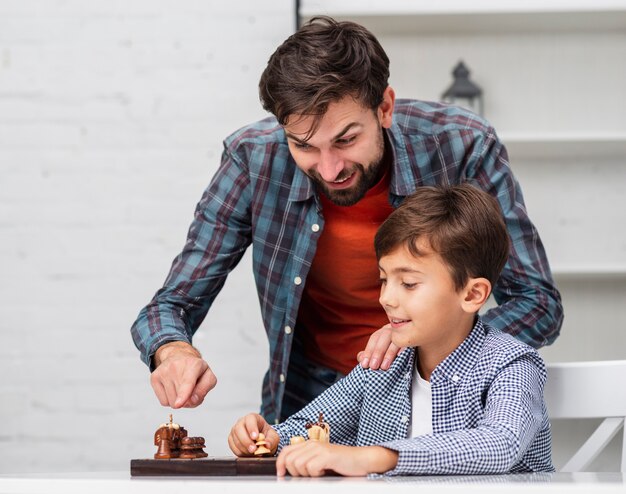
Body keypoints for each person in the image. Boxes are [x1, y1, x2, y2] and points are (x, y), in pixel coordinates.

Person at [130, 16, 563, 424]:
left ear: (385, 108)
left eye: (347, 139)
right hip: (310, 400)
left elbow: (537, 302)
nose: (330, 168)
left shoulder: (462, 146)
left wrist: (429, 343)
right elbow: (170, 305)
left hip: (438, 392)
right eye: (305, 146)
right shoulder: (252, 159)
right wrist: (172, 351)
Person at [228, 184, 554, 477]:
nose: (386, 298)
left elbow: (499, 444)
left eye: (409, 284)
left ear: (472, 295)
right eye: (384, 279)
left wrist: (373, 458)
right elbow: (307, 427)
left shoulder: (511, 366)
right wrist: (266, 438)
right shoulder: (384, 365)